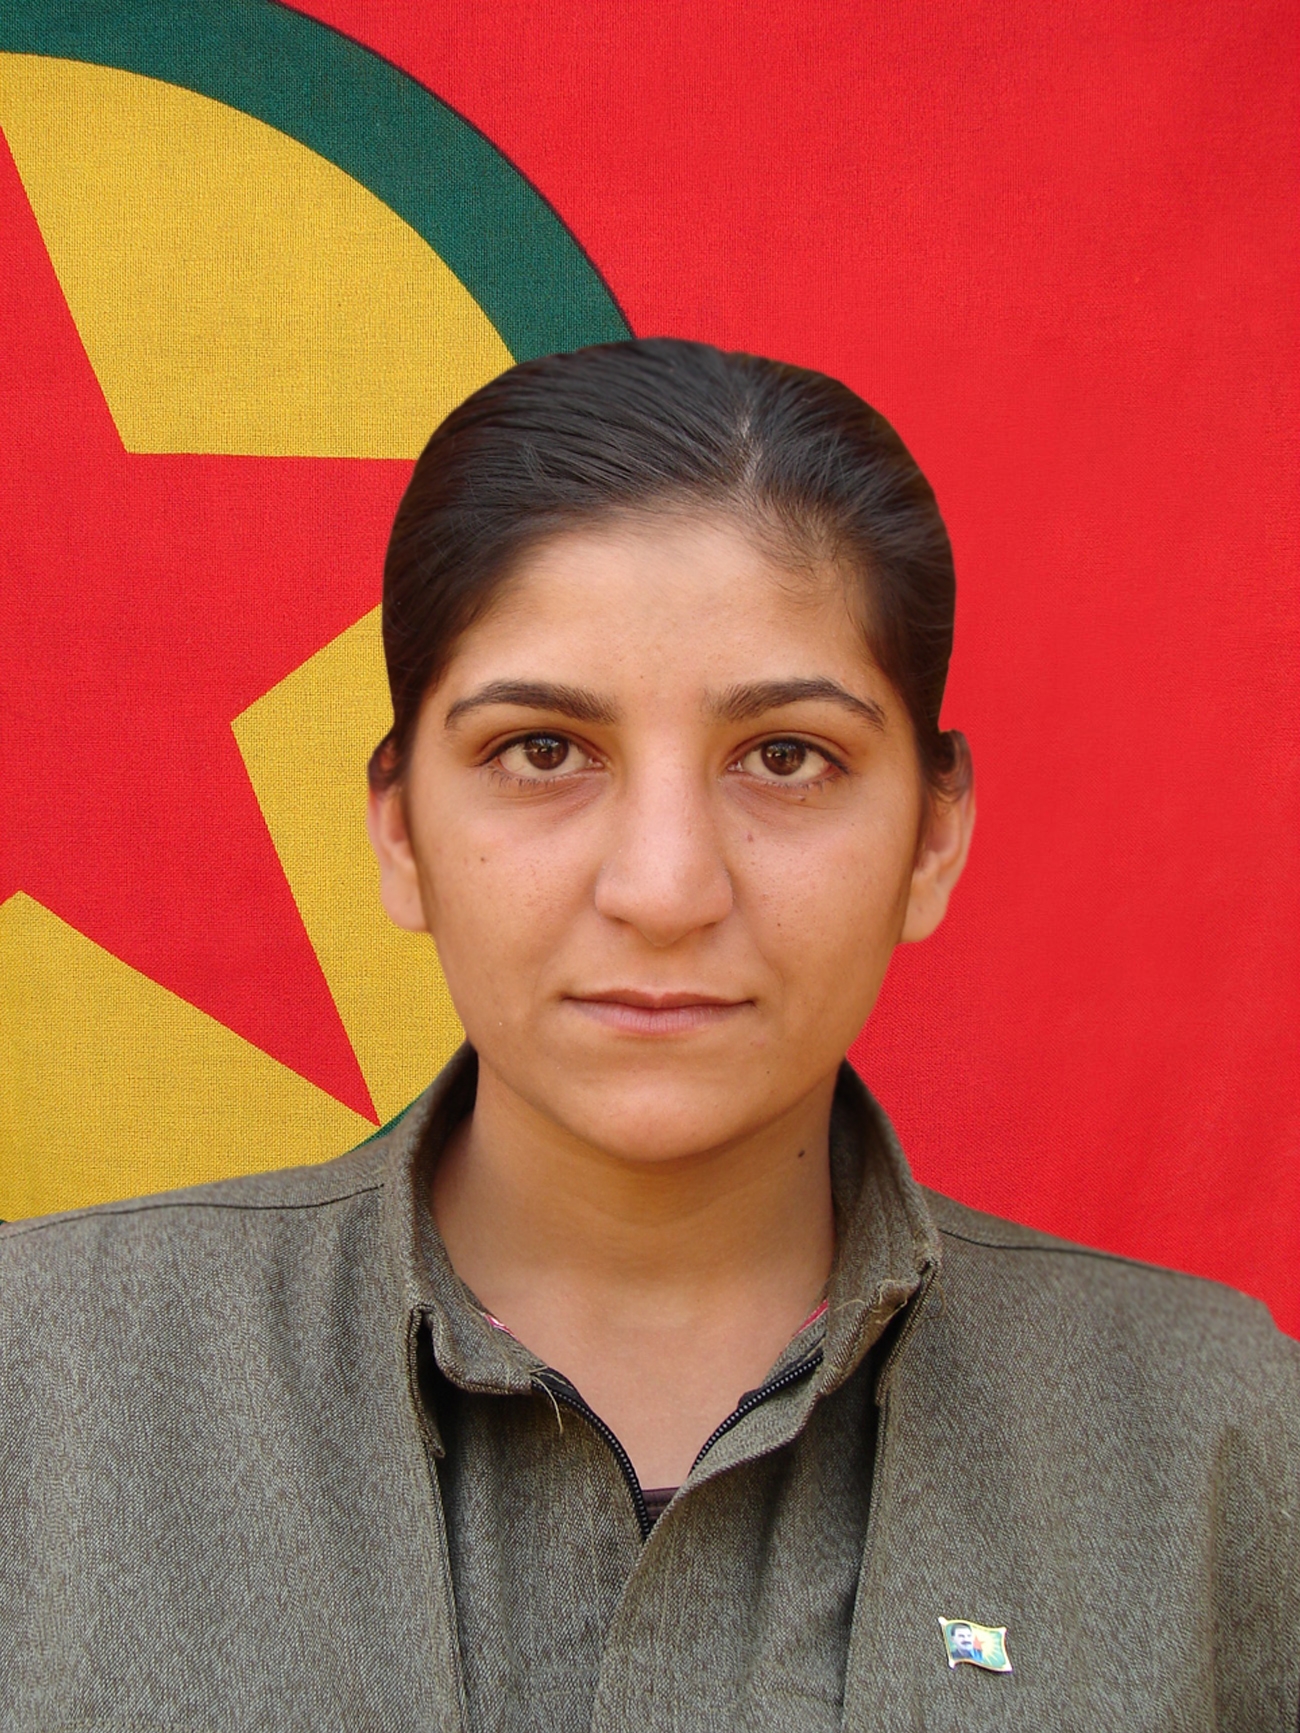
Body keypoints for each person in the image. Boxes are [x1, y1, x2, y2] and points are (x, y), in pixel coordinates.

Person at [1, 339, 1296, 1730]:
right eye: (543, 751)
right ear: (400, 831)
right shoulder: (42, 1379)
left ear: (933, 835)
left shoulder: (1215, 1435)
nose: (666, 889)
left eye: (786, 757)